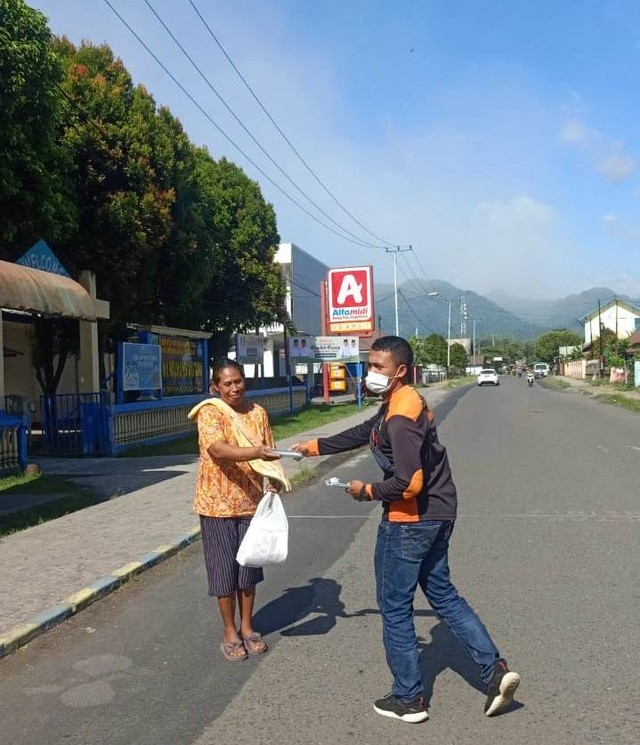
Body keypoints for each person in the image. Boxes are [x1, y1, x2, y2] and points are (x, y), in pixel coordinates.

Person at [293, 336, 520, 723]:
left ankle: (409, 698)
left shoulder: (399, 417)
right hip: (439, 513)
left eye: (379, 367)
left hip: (409, 520)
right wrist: (311, 447)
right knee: (444, 595)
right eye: (369, 364)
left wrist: (365, 491)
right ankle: (495, 672)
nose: (371, 373)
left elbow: (408, 484)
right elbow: (363, 432)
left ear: (400, 370)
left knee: (395, 607)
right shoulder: (402, 402)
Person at [187, 359, 288, 662]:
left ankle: (247, 626)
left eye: (238, 381)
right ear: (214, 387)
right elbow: (217, 449)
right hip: (216, 506)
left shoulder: (258, 414)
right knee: (223, 573)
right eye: (227, 383)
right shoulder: (209, 412)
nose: (234, 388)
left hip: (252, 504)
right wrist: (254, 452)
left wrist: (275, 480)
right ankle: (229, 632)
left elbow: (269, 452)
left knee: (248, 570)